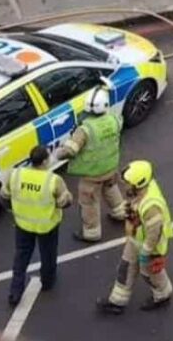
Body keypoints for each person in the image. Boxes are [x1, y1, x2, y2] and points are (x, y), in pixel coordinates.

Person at [98, 161, 173, 314]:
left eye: (128, 183)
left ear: (138, 184)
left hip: (150, 247)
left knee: (151, 274)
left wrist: (146, 252)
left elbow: (154, 234)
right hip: (136, 240)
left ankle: (163, 295)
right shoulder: (143, 192)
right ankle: (117, 301)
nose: (124, 186)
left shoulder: (151, 206)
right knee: (125, 268)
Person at [53, 83, 126, 243]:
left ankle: (92, 232)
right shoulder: (114, 119)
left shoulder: (85, 129)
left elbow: (70, 150)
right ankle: (121, 212)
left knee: (89, 202)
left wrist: (57, 155)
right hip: (110, 166)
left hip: (92, 174)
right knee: (111, 188)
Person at [0, 145, 72, 306]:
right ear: (45, 160)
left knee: (21, 257)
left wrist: (15, 209)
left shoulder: (15, 174)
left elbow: (3, 197)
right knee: (48, 255)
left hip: (22, 224)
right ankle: (47, 282)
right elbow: (65, 202)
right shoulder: (53, 180)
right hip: (47, 227)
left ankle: (15, 292)